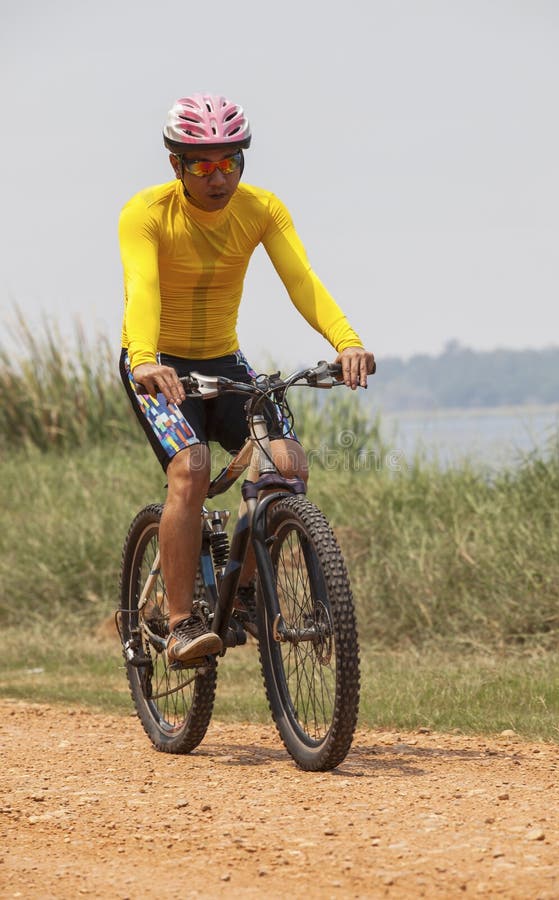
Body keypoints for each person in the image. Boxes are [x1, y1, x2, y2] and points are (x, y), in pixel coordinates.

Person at [118, 92, 375, 666]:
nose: (218, 176)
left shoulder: (262, 209)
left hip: (225, 362)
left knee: (287, 463)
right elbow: (142, 292)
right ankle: (183, 624)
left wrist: (347, 341)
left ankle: (244, 593)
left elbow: (301, 281)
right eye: (202, 164)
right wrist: (142, 359)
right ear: (176, 165)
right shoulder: (146, 213)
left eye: (229, 162)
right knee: (192, 469)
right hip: (158, 364)